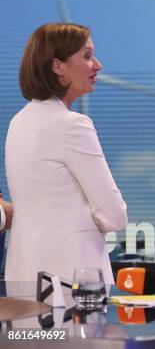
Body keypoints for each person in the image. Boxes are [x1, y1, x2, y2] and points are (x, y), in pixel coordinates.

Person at [4, 23, 127, 284]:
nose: (97, 64)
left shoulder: (19, 121)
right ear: (57, 65)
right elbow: (114, 215)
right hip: (72, 285)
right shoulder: (73, 125)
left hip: (24, 275)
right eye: (87, 55)